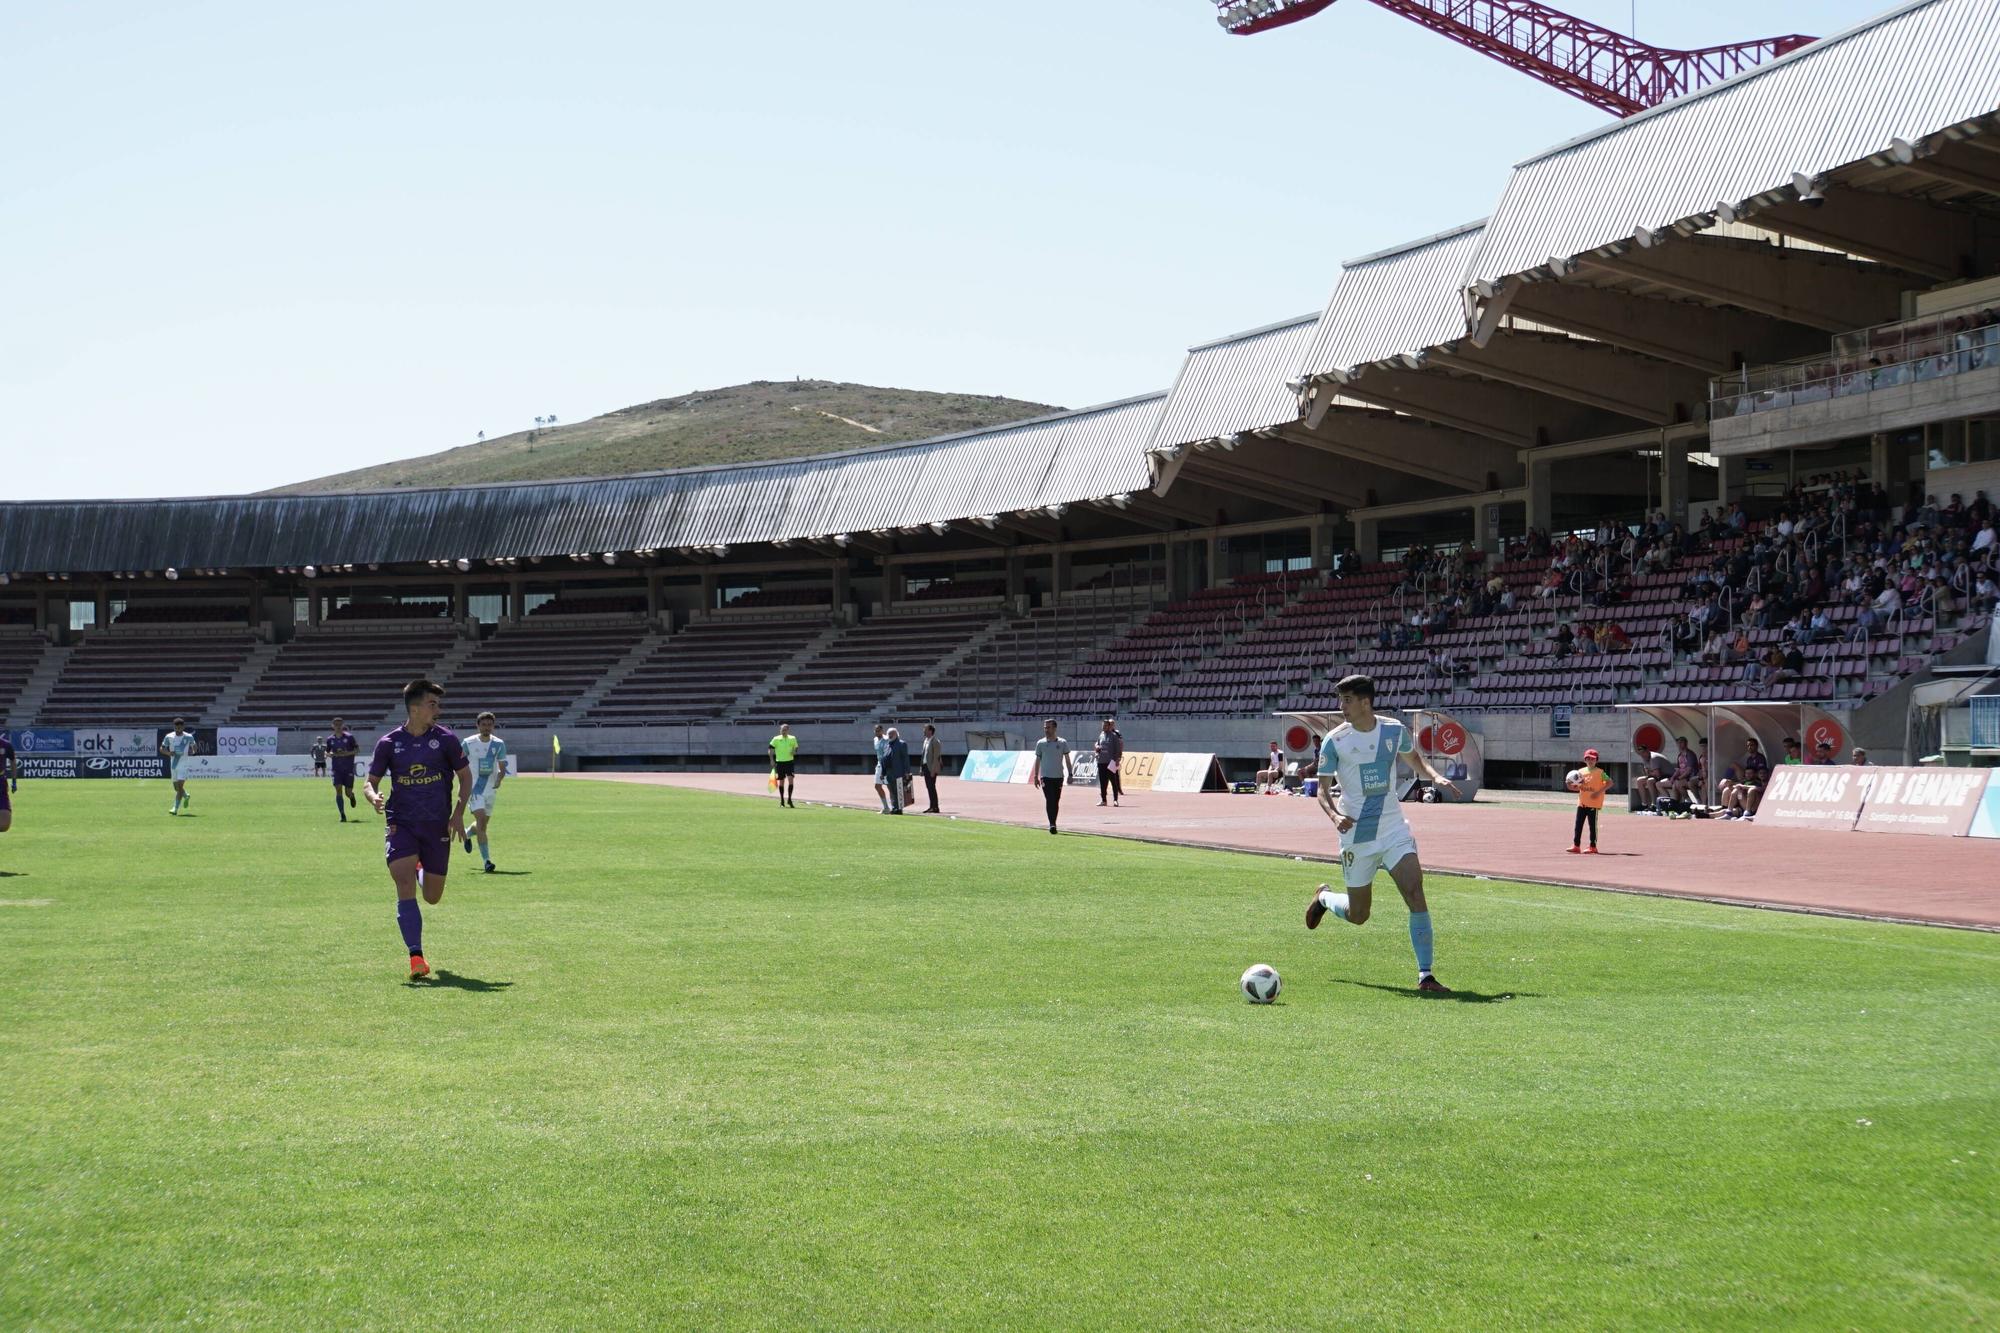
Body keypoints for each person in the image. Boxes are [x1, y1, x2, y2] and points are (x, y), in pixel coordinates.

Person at [1303, 674, 1459, 995]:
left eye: (1347, 700)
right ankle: (1324, 897)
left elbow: (1413, 759)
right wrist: (1334, 816)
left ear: (1365, 702)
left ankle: (1426, 975)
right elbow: (1321, 790)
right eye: (1340, 700)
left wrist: (1434, 776)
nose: (1341, 707)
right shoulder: (1336, 740)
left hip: (1392, 827)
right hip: (1357, 834)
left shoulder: (1393, 730)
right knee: (1359, 915)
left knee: (1415, 891)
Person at [364, 678, 472, 980]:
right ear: (415, 708)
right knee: (404, 886)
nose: (437, 709)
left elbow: (465, 777)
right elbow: (369, 783)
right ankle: (416, 957)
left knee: (433, 896)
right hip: (402, 823)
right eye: (432, 704)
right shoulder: (388, 743)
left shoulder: (447, 740)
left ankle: (421, 865)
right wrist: (373, 797)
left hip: (437, 824)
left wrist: (458, 814)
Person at [460, 711, 507, 872]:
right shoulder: (468, 743)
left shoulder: (498, 744)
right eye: (483, 724)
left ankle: (466, 834)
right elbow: (458, 761)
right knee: (481, 821)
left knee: (482, 826)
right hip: (474, 789)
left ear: (493, 726)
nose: (487, 727)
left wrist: (500, 778)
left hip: (490, 790)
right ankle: (487, 861)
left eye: (489, 725)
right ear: (478, 725)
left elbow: (502, 766)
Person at [1030, 718, 1072, 834]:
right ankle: (1052, 824)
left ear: (1054, 728)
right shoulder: (1040, 743)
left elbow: (1068, 759)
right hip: (1045, 777)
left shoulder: (1062, 743)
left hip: (1058, 777)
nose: (1046, 730)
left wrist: (1070, 773)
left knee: (1056, 801)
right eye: (1045, 727)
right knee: (1050, 799)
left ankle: (1053, 822)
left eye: (1048, 727)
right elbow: (1038, 760)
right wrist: (1035, 776)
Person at [1567, 748, 1611, 853]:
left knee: (1592, 826)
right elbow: (1578, 786)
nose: (1590, 761)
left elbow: (1610, 783)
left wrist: (1598, 792)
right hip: (1582, 803)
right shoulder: (1580, 772)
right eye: (1588, 758)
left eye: (1592, 759)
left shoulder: (1600, 772)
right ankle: (1576, 845)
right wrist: (1571, 786)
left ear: (1596, 760)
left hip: (1593, 805)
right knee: (1578, 825)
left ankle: (1593, 846)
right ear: (1584, 759)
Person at [1721, 737, 1770, 820]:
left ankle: (1746, 812)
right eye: (1748, 746)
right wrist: (1742, 781)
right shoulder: (1749, 759)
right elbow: (1748, 773)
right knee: (1728, 789)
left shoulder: (1760, 758)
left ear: (1756, 746)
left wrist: (1747, 780)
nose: (1749, 747)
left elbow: (1761, 773)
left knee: (1740, 788)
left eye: (1752, 745)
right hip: (1749, 781)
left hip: (1755, 783)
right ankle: (1727, 811)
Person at [324, 718, 361, 822]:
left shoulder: (349, 737)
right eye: (336, 724)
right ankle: (342, 814)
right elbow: (326, 752)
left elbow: (357, 750)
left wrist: (346, 753)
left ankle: (352, 796)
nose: (338, 726)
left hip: (348, 769)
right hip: (336, 769)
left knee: (347, 793)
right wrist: (329, 754)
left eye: (339, 724)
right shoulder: (330, 739)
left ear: (343, 725)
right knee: (338, 789)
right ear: (333, 726)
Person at [159, 718, 196, 815]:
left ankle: (175, 808)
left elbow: (194, 747)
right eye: (176, 728)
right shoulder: (169, 736)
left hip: (184, 765)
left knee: (179, 787)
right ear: (174, 727)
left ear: (183, 727)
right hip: (174, 764)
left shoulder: (188, 737)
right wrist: (169, 753)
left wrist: (193, 751)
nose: (178, 730)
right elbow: (162, 749)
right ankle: (186, 795)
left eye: (179, 728)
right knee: (176, 788)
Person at [1631, 741, 1673, 814]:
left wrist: (1650, 772)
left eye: (1643, 752)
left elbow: (1657, 774)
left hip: (1668, 776)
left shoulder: (1653, 757)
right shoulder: (1644, 757)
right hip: (1659, 776)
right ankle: (1644, 804)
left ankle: (1654, 805)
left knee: (1650, 781)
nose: (1642, 755)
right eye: (1640, 753)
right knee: (1639, 780)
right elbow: (1648, 772)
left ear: (1647, 751)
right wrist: (1650, 772)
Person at [1094, 717, 1124, 807]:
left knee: (1113, 782)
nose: (1104, 727)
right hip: (1101, 762)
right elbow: (1097, 744)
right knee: (1103, 782)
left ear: (1109, 726)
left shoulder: (1114, 736)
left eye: (1105, 725)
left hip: (1111, 762)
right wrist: (1096, 747)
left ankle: (1115, 800)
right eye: (1103, 725)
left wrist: (1117, 759)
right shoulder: (1101, 735)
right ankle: (1104, 800)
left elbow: (1118, 749)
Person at [768, 723, 800, 808]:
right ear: (780, 730)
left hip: (789, 762)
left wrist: (794, 751)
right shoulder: (776, 739)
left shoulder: (792, 738)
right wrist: (771, 760)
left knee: (791, 780)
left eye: (785, 730)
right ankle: (782, 801)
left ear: (788, 730)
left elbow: (796, 747)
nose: (783, 731)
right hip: (780, 763)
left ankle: (789, 799)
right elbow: (770, 749)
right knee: (781, 781)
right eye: (782, 730)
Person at [883, 727, 911, 814]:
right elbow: (884, 759)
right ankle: (894, 807)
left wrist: (907, 772)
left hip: (899, 772)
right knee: (892, 791)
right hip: (889, 772)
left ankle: (899, 809)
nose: (889, 736)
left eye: (891, 734)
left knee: (899, 791)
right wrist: (883, 772)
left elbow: (905, 759)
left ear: (896, 734)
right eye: (888, 734)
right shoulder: (887, 745)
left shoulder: (902, 744)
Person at [919, 724, 942, 813]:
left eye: (925, 729)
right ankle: (932, 806)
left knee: (931, 787)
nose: (923, 731)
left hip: (931, 768)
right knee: (929, 787)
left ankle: (935, 807)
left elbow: (936, 757)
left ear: (930, 731)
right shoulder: (926, 740)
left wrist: (933, 770)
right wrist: (921, 768)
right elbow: (923, 755)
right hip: (925, 766)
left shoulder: (935, 741)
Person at [870, 724, 891, 813]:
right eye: (875, 730)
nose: (877, 732)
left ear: (882, 731)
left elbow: (887, 754)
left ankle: (895, 806)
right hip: (879, 765)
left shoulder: (886, 740)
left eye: (878, 730)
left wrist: (885, 768)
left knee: (889, 786)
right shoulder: (875, 740)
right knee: (877, 786)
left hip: (886, 765)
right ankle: (886, 807)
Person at [0, 729, 15, 835]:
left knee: (4, 826)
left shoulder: (5, 745)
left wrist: (14, 781)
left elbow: (13, 761)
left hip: (1, 784)